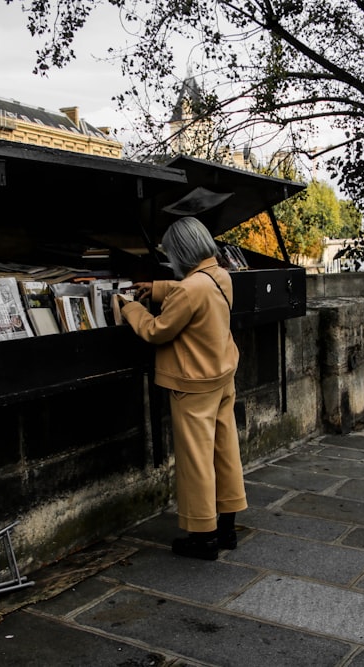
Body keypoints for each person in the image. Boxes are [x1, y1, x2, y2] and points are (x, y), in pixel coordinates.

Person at [117, 216, 247, 560]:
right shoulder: (220, 275)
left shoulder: (191, 289)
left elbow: (158, 330)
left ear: (180, 252)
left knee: (196, 461)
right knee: (224, 449)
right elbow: (195, 293)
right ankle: (227, 527)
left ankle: (202, 537)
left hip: (193, 385)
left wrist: (131, 309)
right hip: (222, 376)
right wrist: (159, 288)